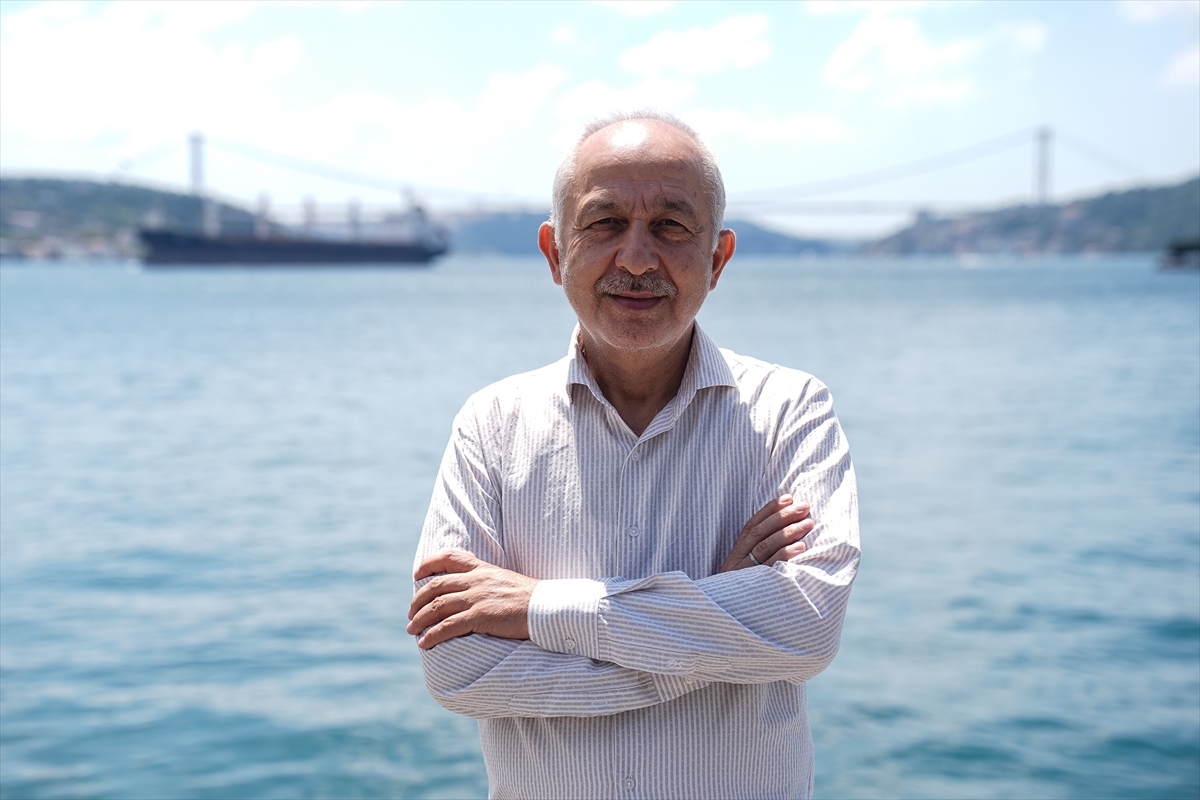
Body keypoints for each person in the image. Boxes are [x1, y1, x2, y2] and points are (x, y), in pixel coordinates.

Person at [407, 110, 860, 799]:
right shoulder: (491, 426)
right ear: (555, 253)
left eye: (671, 226)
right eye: (606, 223)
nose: (638, 259)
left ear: (718, 258)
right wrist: (715, 626)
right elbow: (457, 670)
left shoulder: (789, 410)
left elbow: (806, 626)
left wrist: (538, 609)